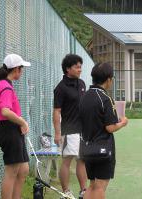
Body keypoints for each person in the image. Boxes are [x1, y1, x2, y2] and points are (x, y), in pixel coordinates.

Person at [80, 62, 128, 199]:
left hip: (87, 147)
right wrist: (123, 123)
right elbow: (110, 127)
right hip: (103, 149)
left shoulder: (85, 96)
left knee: (92, 184)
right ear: (108, 79)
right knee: (100, 186)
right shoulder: (105, 98)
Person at [0, 54, 31, 199]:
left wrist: (20, 122)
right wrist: (22, 122)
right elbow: (5, 111)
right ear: (16, 69)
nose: (21, 72)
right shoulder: (5, 86)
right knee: (12, 171)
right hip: (8, 130)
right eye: (21, 69)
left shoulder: (6, 84)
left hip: (12, 129)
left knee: (23, 169)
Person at [53, 54, 87, 199]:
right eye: (76, 67)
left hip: (83, 131)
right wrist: (57, 133)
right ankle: (66, 192)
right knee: (67, 161)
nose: (80, 69)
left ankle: (83, 190)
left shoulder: (82, 84)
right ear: (68, 69)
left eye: (80, 66)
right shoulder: (60, 88)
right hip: (69, 130)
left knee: (82, 160)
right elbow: (56, 111)